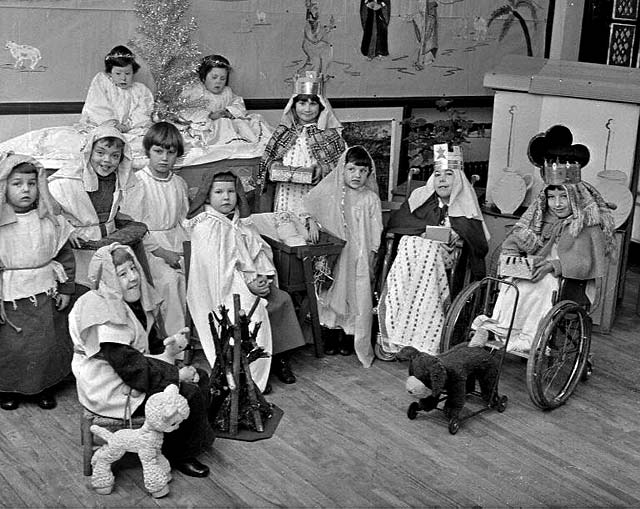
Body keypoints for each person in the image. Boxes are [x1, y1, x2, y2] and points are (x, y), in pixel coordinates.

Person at [69, 243, 214, 478]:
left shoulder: (130, 300)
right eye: (122, 274)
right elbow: (131, 369)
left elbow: (149, 342)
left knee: (201, 376)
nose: (133, 278)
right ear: (107, 278)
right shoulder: (102, 310)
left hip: (129, 370)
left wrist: (170, 350)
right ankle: (180, 454)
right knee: (187, 392)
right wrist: (175, 376)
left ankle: (191, 436)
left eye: (133, 269)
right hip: (110, 385)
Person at [469, 126, 614, 353]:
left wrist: (553, 265)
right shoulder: (540, 214)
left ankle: (527, 337)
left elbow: (585, 262)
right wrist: (513, 260)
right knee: (512, 283)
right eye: (552, 196)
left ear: (574, 198)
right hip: (536, 268)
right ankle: (499, 329)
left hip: (568, 282)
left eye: (563, 197)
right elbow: (519, 238)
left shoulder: (586, 223)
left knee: (540, 284)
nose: (556, 203)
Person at [186, 170, 306, 390]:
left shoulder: (240, 222)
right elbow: (217, 272)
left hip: (249, 282)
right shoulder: (206, 226)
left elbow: (258, 252)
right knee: (253, 310)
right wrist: (249, 285)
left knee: (282, 299)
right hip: (223, 291)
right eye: (219, 192)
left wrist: (262, 278)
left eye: (231, 191)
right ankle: (249, 371)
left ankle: (278, 357)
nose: (226, 197)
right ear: (208, 196)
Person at [378, 144, 489, 356]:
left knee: (422, 247)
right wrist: (424, 235)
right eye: (437, 175)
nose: (442, 179)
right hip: (415, 261)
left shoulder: (466, 206)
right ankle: (397, 330)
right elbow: (400, 223)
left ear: (458, 179)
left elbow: (477, 242)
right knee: (413, 244)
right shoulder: (422, 200)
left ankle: (428, 332)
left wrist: (454, 234)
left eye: (448, 174)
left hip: (450, 259)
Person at [0, 153, 76, 411]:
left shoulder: (50, 221)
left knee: (46, 343)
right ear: (3, 186)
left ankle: (44, 386)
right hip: (10, 295)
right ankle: (10, 388)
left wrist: (66, 288)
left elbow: (64, 254)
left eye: (32, 184)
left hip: (45, 290)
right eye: (17, 183)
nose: (25, 190)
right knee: (12, 346)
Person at [0, 46, 154, 169]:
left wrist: (127, 126)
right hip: (101, 128)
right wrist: (113, 125)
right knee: (60, 140)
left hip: (130, 131)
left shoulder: (140, 90)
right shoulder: (102, 82)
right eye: (118, 73)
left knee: (140, 146)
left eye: (128, 73)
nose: (123, 78)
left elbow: (143, 111)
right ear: (110, 72)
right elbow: (98, 106)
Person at [304, 146, 383, 367]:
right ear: (342, 170)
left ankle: (349, 337)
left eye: (362, 171)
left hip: (359, 254)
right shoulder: (333, 193)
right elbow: (309, 204)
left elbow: (376, 227)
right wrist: (311, 221)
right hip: (337, 253)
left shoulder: (370, 199)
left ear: (369, 174)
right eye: (351, 169)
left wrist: (373, 251)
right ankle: (330, 334)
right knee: (333, 292)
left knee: (356, 295)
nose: (357, 175)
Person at [48, 125, 147, 289]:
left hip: (108, 245)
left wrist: (116, 216)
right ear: (89, 152)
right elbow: (49, 211)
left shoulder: (118, 179)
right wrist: (67, 230)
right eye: (100, 153)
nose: (107, 160)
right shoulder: (66, 180)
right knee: (85, 291)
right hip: (80, 249)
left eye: (115, 156)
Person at [120, 122, 189, 336]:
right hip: (149, 247)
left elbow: (183, 219)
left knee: (198, 273)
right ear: (148, 151)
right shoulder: (138, 182)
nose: (164, 158)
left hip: (176, 239)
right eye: (158, 151)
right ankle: (174, 341)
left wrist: (188, 249)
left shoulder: (178, 182)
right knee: (171, 280)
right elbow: (134, 227)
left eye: (171, 152)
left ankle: (197, 334)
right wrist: (163, 253)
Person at [254, 71, 346, 219]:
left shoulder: (329, 135)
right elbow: (268, 160)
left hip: (314, 193)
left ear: (321, 106)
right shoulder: (283, 132)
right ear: (293, 105)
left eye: (313, 103)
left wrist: (322, 169)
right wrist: (274, 166)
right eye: (302, 103)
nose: (307, 109)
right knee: (288, 227)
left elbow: (340, 166)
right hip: (286, 192)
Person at [178, 54, 273, 165]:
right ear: (203, 77)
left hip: (227, 125)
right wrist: (210, 115)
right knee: (219, 127)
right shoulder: (197, 92)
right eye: (214, 77)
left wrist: (229, 111)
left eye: (222, 78)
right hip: (208, 128)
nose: (218, 81)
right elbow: (187, 110)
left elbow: (238, 104)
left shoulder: (227, 92)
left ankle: (238, 149)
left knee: (253, 121)